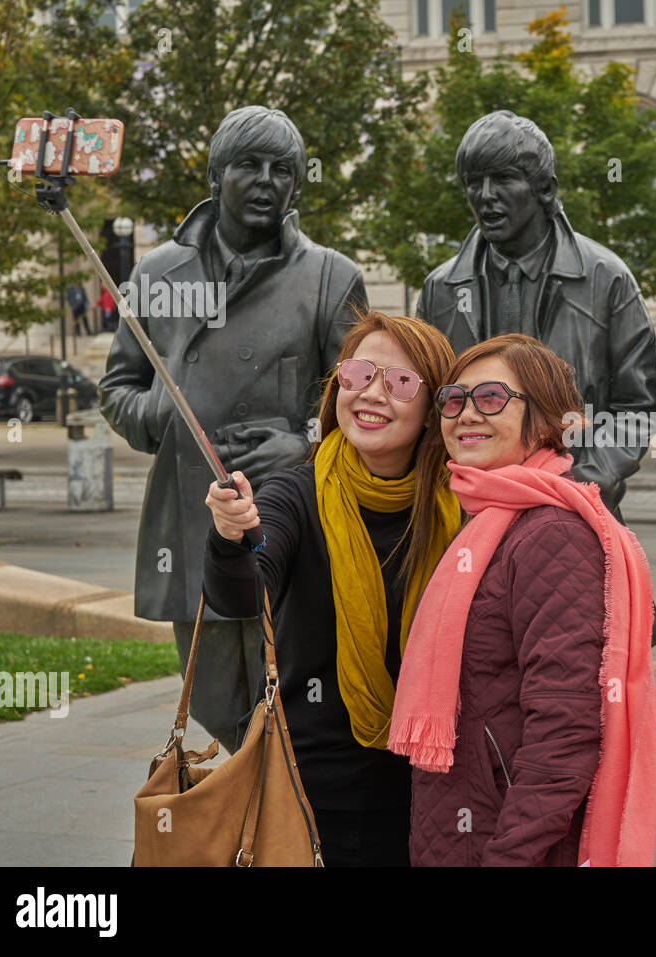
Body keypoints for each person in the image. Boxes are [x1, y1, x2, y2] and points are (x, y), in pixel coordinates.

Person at [100, 105, 367, 754]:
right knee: (219, 703)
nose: (266, 181)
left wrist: (304, 440)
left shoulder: (331, 277)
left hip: (294, 522)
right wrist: (168, 412)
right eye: (249, 165)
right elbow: (117, 390)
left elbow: (367, 401)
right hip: (192, 528)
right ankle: (255, 820)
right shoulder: (158, 273)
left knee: (296, 701)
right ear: (217, 173)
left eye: (283, 170)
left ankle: (284, 829)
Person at [201, 311, 461, 866]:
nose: (372, 393)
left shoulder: (461, 504)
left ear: (433, 405)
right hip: (309, 790)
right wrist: (232, 536)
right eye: (358, 373)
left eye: (400, 382)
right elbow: (244, 595)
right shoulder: (295, 494)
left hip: (434, 787)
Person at [389, 334, 656, 866]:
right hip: (462, 827)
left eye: (491, 398)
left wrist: (508, 857)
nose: (466, 414)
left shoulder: (550, 534)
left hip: (506, 843)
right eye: (453, 399)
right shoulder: (485, 519)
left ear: (543, 420)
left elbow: (566, 729)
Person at [417, 110, 656, 643]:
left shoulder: (606, 280)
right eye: (474, 182)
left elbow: (637, 407)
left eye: (503, 180)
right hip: (466, 520)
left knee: (569, 685)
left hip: (571, 515)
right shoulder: (440, 289)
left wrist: (584, 479)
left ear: (546, 189)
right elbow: (426, 405)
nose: (485, 196)